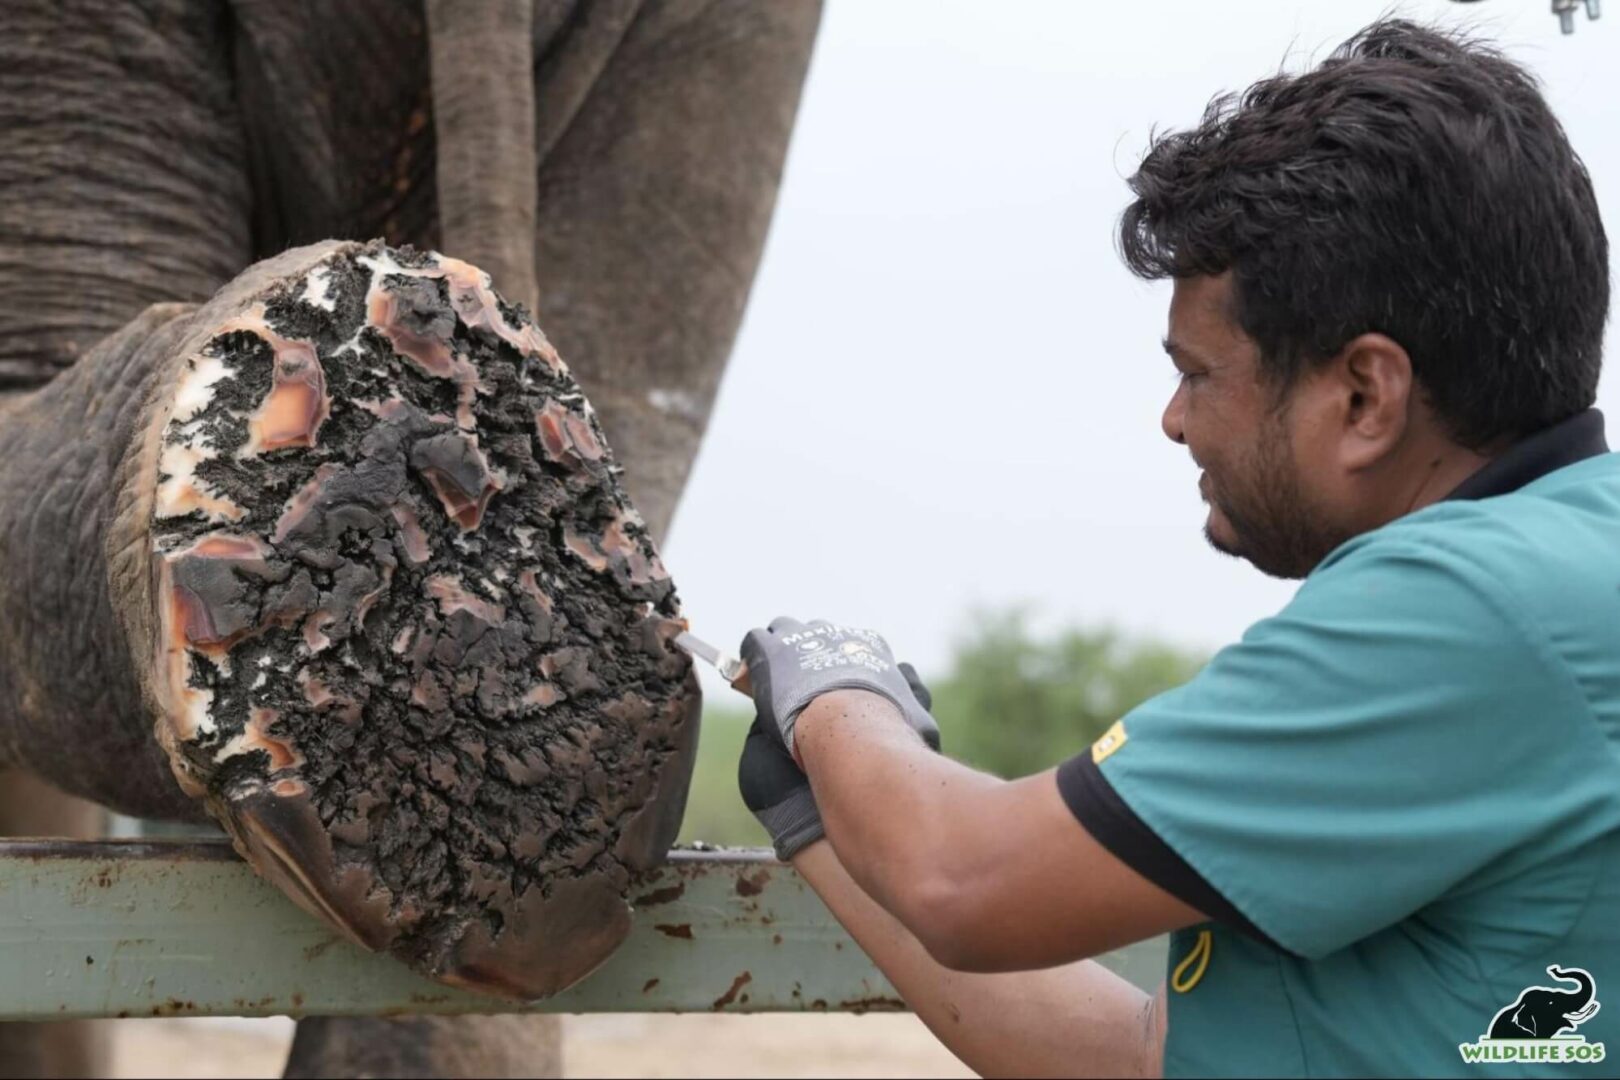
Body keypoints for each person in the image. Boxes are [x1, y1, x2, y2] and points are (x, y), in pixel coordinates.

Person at [733, 19, 1617, 1078]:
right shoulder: (1570, 563)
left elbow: (965, 885)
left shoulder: (1464, 606)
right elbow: (1153, 1057)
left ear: (1365, 393)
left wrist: (836, 698)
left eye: (1198, 373)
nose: (1174, 421)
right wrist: (816, 814)